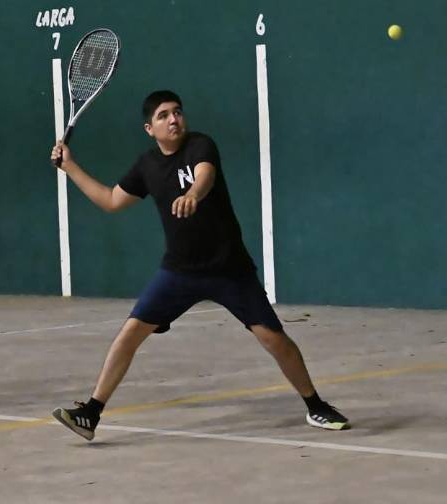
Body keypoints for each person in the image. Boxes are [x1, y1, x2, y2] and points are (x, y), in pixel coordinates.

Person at [50, 90, 349, 440]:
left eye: (177, 112)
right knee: (129, 334)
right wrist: (70, 167)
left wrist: (192, 194)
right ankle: (90, 413)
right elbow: (111, 200)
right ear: (149, 128)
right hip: (179, 273)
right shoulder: (147, 166)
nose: (173, 119)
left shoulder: (200, 145)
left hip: (229, 269)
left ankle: (315, 406)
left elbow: (204, 175)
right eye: (163, 115)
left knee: (274, 338)